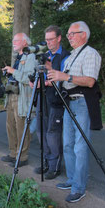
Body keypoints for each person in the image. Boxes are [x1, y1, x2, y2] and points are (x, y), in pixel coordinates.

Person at [48, 21, 102, 203]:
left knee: (80, 146)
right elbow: (65, 79)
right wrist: (53, 76)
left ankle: (79, 187)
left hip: (82, 103)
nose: (69, 37)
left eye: (73, 34)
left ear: (83, 35)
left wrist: (65, 76)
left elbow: (90, 81)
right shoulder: (71, 56)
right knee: (68, 144)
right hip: (68, 103)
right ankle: (71, 180)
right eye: (69, 34)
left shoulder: (90, 53)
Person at [33, 25, 70, 180]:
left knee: (52, 133)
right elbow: (37, 77)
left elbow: (64, 79)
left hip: (56, 100)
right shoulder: (44, 55)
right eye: (46, 39)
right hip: (42, 98)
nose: (48, 42)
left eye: (51, 39)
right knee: (41, 131)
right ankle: (47, 161)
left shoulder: (66, 56)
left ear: (59, 38)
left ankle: (55, 167)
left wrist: (48, 79)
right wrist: (36, 81)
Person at [1, 33, 38, 167]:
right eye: (13, 40)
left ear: (25, 42)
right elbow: (16, 76)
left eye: (16, 40)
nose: (13, 43)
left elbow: (29, 78)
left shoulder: (31, 57)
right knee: (10, 126)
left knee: (22, 127)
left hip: (22, 97)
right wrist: (9, 72)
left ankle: (22, 157)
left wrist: (13, 71)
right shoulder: (18, 57)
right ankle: (13, 154)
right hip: (11, 94)